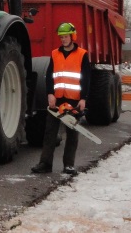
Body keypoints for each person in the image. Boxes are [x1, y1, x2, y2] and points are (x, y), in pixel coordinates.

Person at [31, 22, 91, 175]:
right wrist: (50, 94)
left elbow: (86, 78)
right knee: (50, 133)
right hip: (56, 101)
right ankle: (45, 164)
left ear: (72, 36)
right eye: (61, 37)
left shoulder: (82, 54)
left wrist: (83, 99)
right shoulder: (55, 54)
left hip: (73, 101)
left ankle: (69, 165)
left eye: (65, 37)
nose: (63, 40)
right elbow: (50, 76)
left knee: (72, 134)